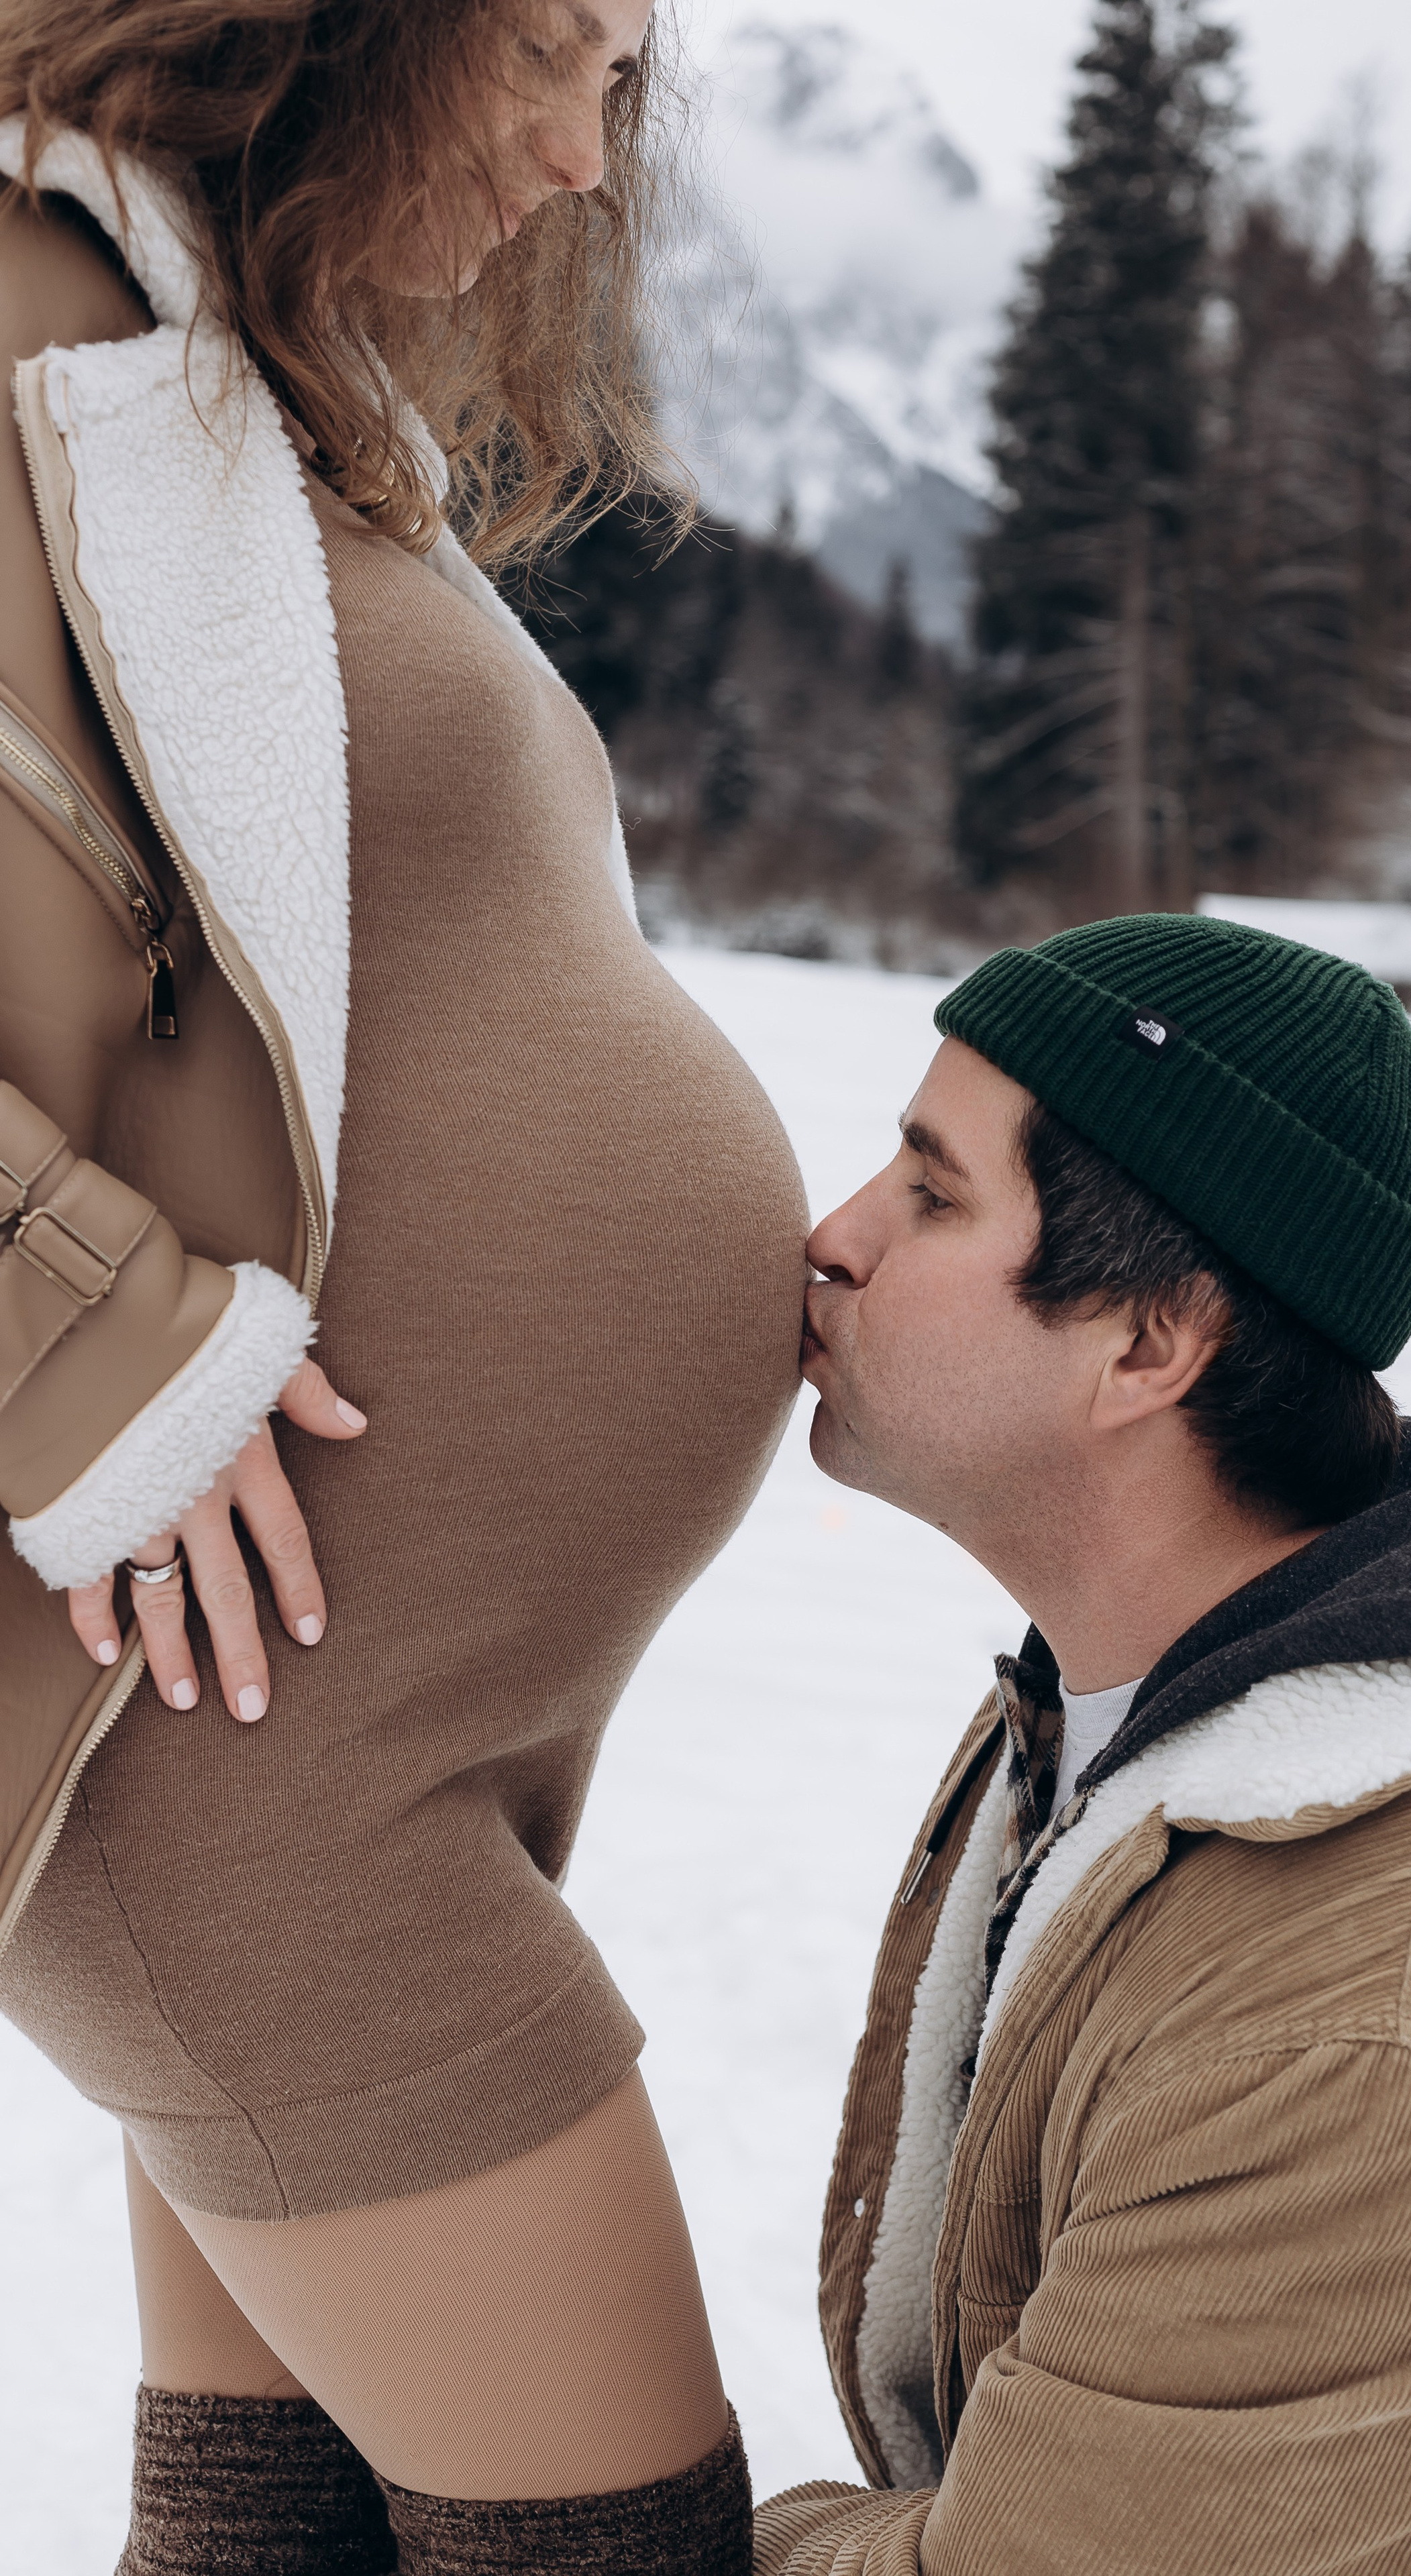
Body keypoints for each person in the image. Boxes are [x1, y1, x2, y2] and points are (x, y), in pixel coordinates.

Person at [0, 5, 808, 2571]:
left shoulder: (208, 373)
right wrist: (86, 1346)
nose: (591, 156)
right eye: (558, 52)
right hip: (235, 1760)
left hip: (344, 1728)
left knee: (277, 2539)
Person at [765, 911, 1411, 2576]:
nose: (830, 1237)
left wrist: (532, 2509)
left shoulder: (1386, 2020)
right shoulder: (1137, 1722)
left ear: (1146, 1341)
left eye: (930, 1193)